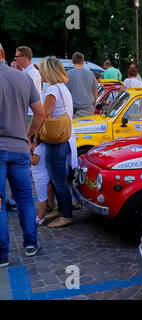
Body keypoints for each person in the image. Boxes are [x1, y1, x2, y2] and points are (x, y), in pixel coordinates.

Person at [0, 42, 45, 267]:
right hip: (19, 147)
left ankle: (2, 254)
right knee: (26, 199)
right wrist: (28, 136)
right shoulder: (23, 77)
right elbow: (40, 113)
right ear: (3, 54)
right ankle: (30, 243)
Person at [38, 56, 78, 228]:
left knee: (57, 179)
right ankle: (63, 210)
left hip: (56, 140)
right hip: (66, 138)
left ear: (48, 71)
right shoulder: (63, 88)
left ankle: (66, 215)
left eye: (41, 70)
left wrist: (33, 136)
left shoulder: (52, 90)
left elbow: (42, 116)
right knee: (60, 178)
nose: (40, 74)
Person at [30, 141, 56, 226]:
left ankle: (40, 218)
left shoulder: (39, 148)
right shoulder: (46, 146)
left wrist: (28, 152)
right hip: (44, 174)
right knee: (44, 198)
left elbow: (34, 162)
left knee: (42, 198)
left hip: (40, 177)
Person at [65, 52, 98, 118]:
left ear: (72, 61)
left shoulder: (68, 74)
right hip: (89, 109)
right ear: (82, 61)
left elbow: (65, 93)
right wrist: (94, 105)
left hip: (75, 110)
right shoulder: (90, 73)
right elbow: (95, 91)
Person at [15, 46, 42, 122]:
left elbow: (24, 94)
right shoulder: (26, 72)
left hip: (30, 112)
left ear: (24, 57)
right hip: (27, 112)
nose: (15, 59)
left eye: (17, 56)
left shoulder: (32, 73)